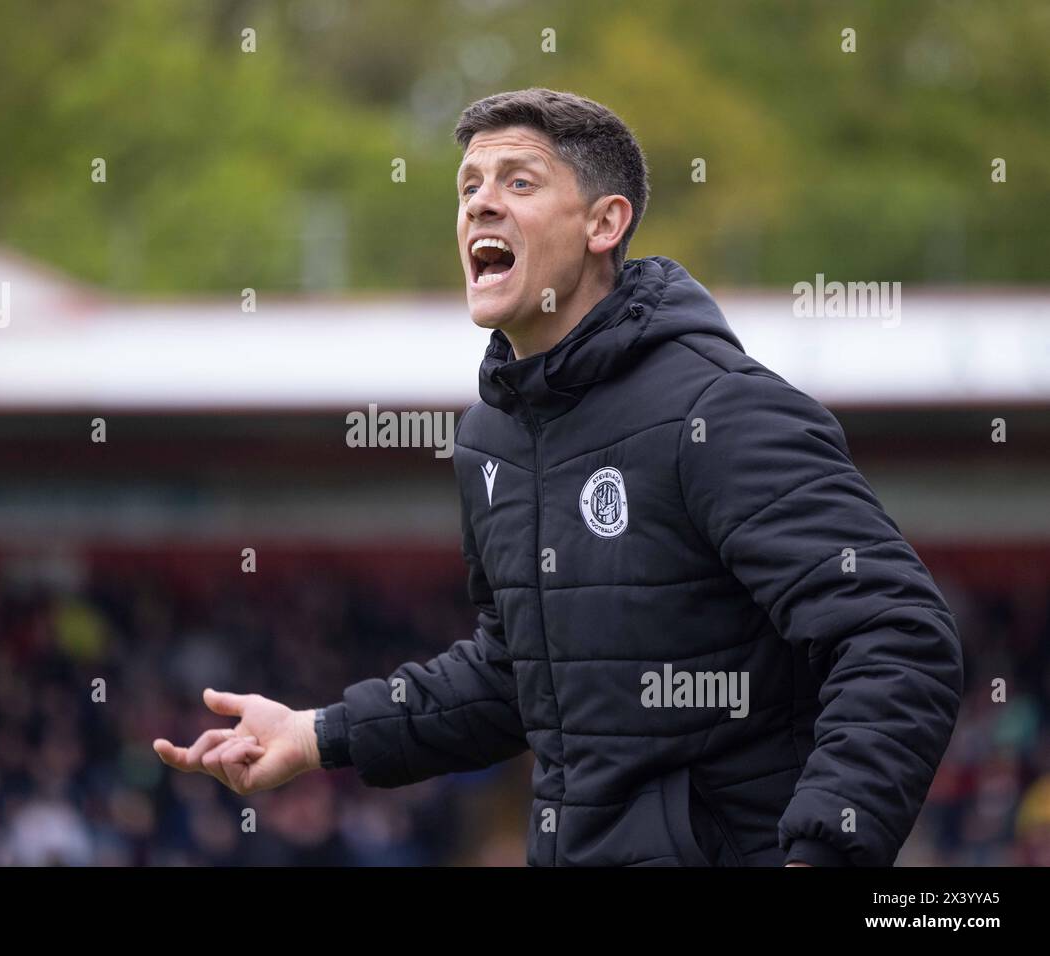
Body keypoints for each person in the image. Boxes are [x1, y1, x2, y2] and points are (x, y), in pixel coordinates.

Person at [153, 88, 964, 867]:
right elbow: (517, 677)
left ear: (605, 224)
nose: (478, 204)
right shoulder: (491, 440)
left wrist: (823, 850)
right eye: (468, 186)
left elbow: (897, 635)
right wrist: (319, 733)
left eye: (518, 181)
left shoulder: (721, 410)